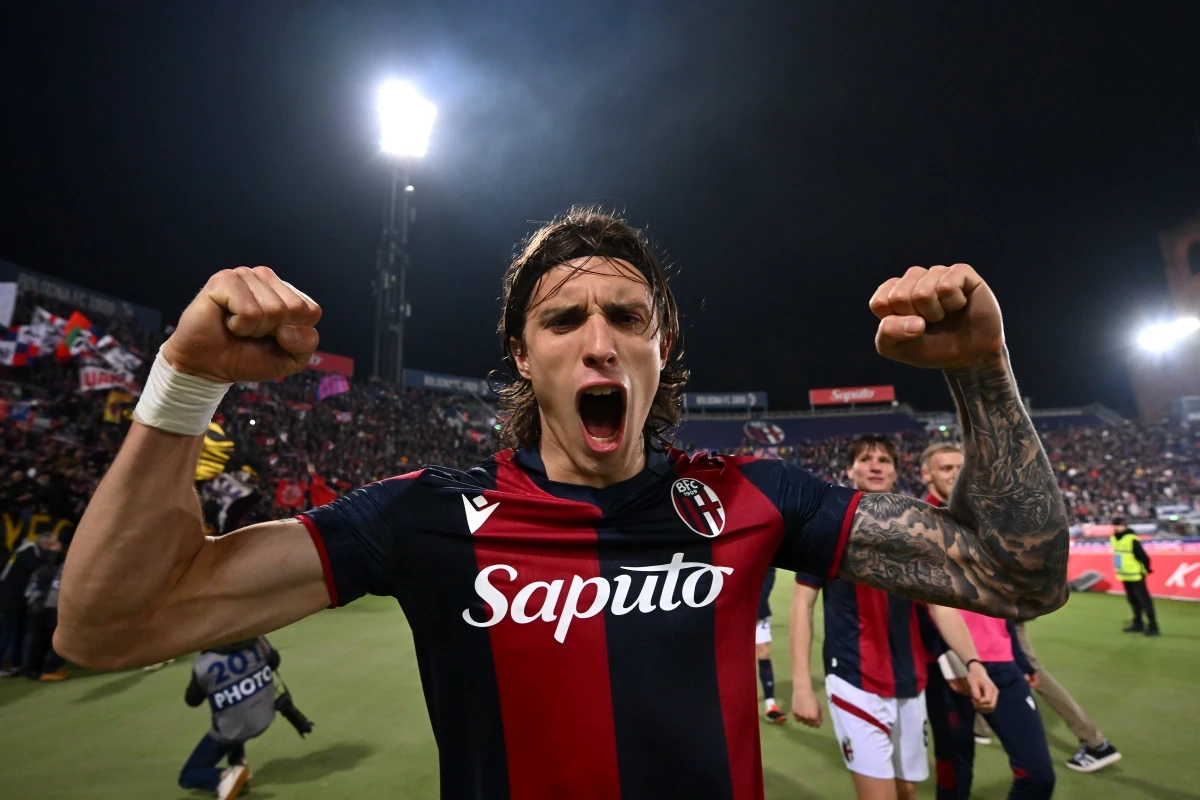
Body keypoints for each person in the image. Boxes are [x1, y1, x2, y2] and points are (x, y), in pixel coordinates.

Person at [57, 208, 1069, 799]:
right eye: (563, 318)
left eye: (628, 316)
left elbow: (1020, 572)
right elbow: (109, 623)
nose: (599, 339)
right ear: (523, 353)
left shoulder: (756, 495)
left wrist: (983, 368)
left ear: (661, 349)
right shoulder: (422, 518)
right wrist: (186, 379)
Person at [790, 435, 998, 800]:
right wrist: (802, 685)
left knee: (907, 790)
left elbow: (941, 604)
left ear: (895, 471)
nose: (875, 465)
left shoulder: (920, 528)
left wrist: (974, 662)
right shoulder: (825, 525)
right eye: (866, 459)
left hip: (910, 681)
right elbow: (801, 605)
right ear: (849, 470)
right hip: (853, 677)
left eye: (884, 460)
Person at [952, 610, 1056, 799]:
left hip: (1002, 663)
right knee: (955, 777)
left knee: (1038, 776)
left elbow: (1000, 599)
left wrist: (1018, 656)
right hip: (947, 667)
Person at [180, 636, 281, 800]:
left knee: (188, 775)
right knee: (236, 709)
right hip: (265, 714)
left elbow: (192, 701)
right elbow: (275, 661)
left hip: (232, 729)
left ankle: (225, 776)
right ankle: (239, 762)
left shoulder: (203, 664)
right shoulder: (258, 641)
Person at [1111, 516, 1159, 636]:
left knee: (1144, 601)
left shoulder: (1131, 539)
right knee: (1133, 601)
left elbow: (1143, 557)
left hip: (1136, 575)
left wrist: (1146, 569)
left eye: (1120, 524)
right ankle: (1138, 623)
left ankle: (1153, 626)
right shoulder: (1114, 538)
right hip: (1124, 575)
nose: (1117, 527)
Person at [757, 567, 786, 723]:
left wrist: (759, 600)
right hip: (734, 609)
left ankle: (770, 705)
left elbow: (769, 571)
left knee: (764, 651)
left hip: (758, 609)